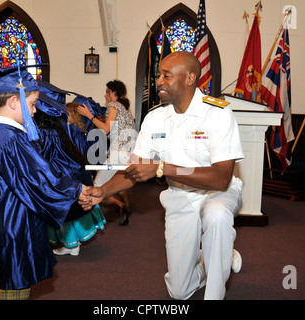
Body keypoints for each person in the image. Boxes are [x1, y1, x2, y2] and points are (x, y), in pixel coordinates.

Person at [81, 51, 244, 300]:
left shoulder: (218, 114)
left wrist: (163, 168)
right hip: (179, 197)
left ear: (190, 79)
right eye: (159, 75)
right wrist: (103, 192)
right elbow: (134, 170)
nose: (159, 81)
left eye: (166, 76)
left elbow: (221, 177)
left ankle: (215, 290)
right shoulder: (155, 119)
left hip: (217, 193)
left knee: (217, 216)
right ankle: (220, 257)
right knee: (179, 292)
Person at [0, 65, 89, 300]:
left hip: (4, 221)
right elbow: (39, 178)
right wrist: (78, 189)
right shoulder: (11, 139)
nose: (34, 112)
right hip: (13, 226)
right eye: (32, 104)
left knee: (11, 286)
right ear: (13, 101)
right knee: (14, 290)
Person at [35, 81, 106, 256]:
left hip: (64, 176)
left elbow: (44, 160)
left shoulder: (45, 133)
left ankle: (70, 245)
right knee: (71, 211)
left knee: (64, 211)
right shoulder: (58, 129)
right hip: (75, 172)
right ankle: (72, 245)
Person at [78, 80, 136, 226]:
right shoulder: (125, 109)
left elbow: (105, 129)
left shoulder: (113, 105)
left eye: (106, 91)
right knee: (117, 182)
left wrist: (88, 115)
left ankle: (121, 206)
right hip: (129, 152)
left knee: (96, 187)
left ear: (113, 93)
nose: (105, 95)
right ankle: (124, 205)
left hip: (119, 153)